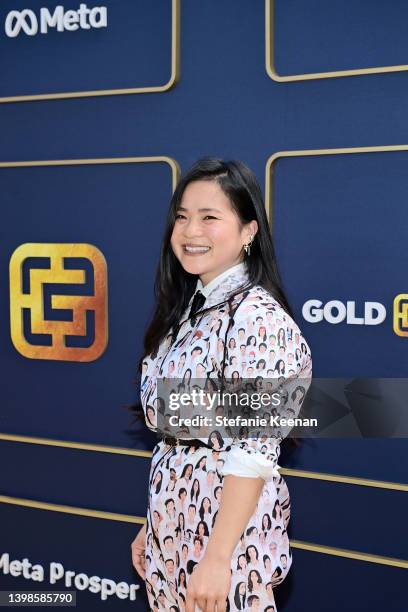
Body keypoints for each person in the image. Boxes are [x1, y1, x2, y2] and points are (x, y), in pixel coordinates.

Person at [131, 158, 312, 611]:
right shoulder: (189, 309)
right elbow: (181, 438)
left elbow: (253, 450)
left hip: (228, 536)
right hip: (175, 521)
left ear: (249, 231)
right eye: (182, 216)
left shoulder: (257, 319)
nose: (191, 231)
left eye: (210, 217)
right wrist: (154, 522)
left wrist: (217, 558)